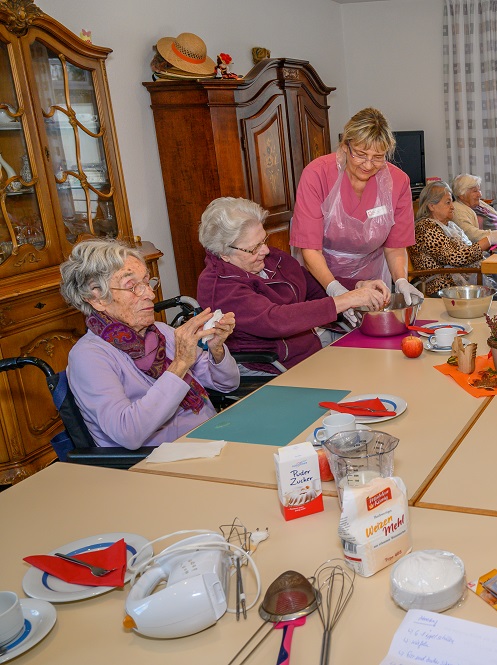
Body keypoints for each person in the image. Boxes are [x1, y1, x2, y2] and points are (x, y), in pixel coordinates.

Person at [60, 239, 240, 449]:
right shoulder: (89, 357)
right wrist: (180, 364)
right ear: (97, 298)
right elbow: (128, 433)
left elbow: (227, 385)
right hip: (155, 461)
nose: (150, 294)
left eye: (147, 282)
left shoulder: (160, 332)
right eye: (133, 286)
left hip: (209, 435)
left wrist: (216, 349)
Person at [197, 197, 386, 373]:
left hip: (308, 349)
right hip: (271, 366)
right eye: (254, 247)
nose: (265, 250)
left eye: (264, 240)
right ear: (224, 254)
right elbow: (275, 320)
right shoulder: (218, 285)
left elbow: (310, 285)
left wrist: (358, 286)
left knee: (378, 359)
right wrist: (345, 300)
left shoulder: (274, 259)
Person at [290, 107, 419, 306]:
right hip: (319, 276)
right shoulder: (317, 175)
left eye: (378, 157)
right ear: (345, 146)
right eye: (360, 154)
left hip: (371, 279)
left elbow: (394, 247)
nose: (368, 165)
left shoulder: (398, 182)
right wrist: (335, 290)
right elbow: (310, 249)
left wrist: (401, 280)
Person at [412, 182, 497, 301]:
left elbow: (468, 249)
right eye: (448, 203)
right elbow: (455, 258)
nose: (452, 206)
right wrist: (490, 240)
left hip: (470, 275)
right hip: (446, 286)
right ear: (431, 206)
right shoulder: (426, 228)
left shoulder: (450, 225)